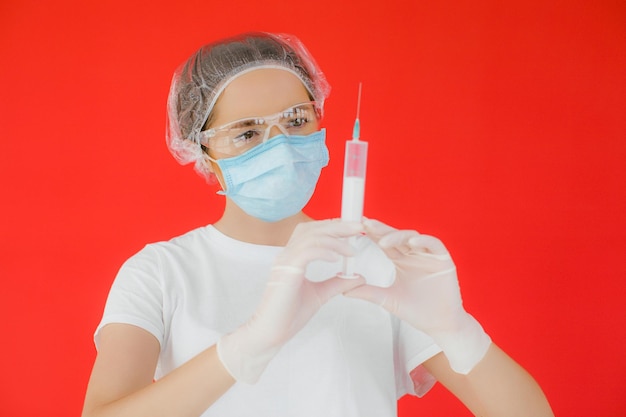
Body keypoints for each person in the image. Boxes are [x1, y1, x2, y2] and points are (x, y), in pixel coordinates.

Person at [82, 32, 554, 417]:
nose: (280, 145)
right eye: (246, 132)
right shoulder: (162, 272)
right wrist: (246, 346)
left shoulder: (371, 261)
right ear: (201, 150)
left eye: (295, 119)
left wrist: (456, 330)